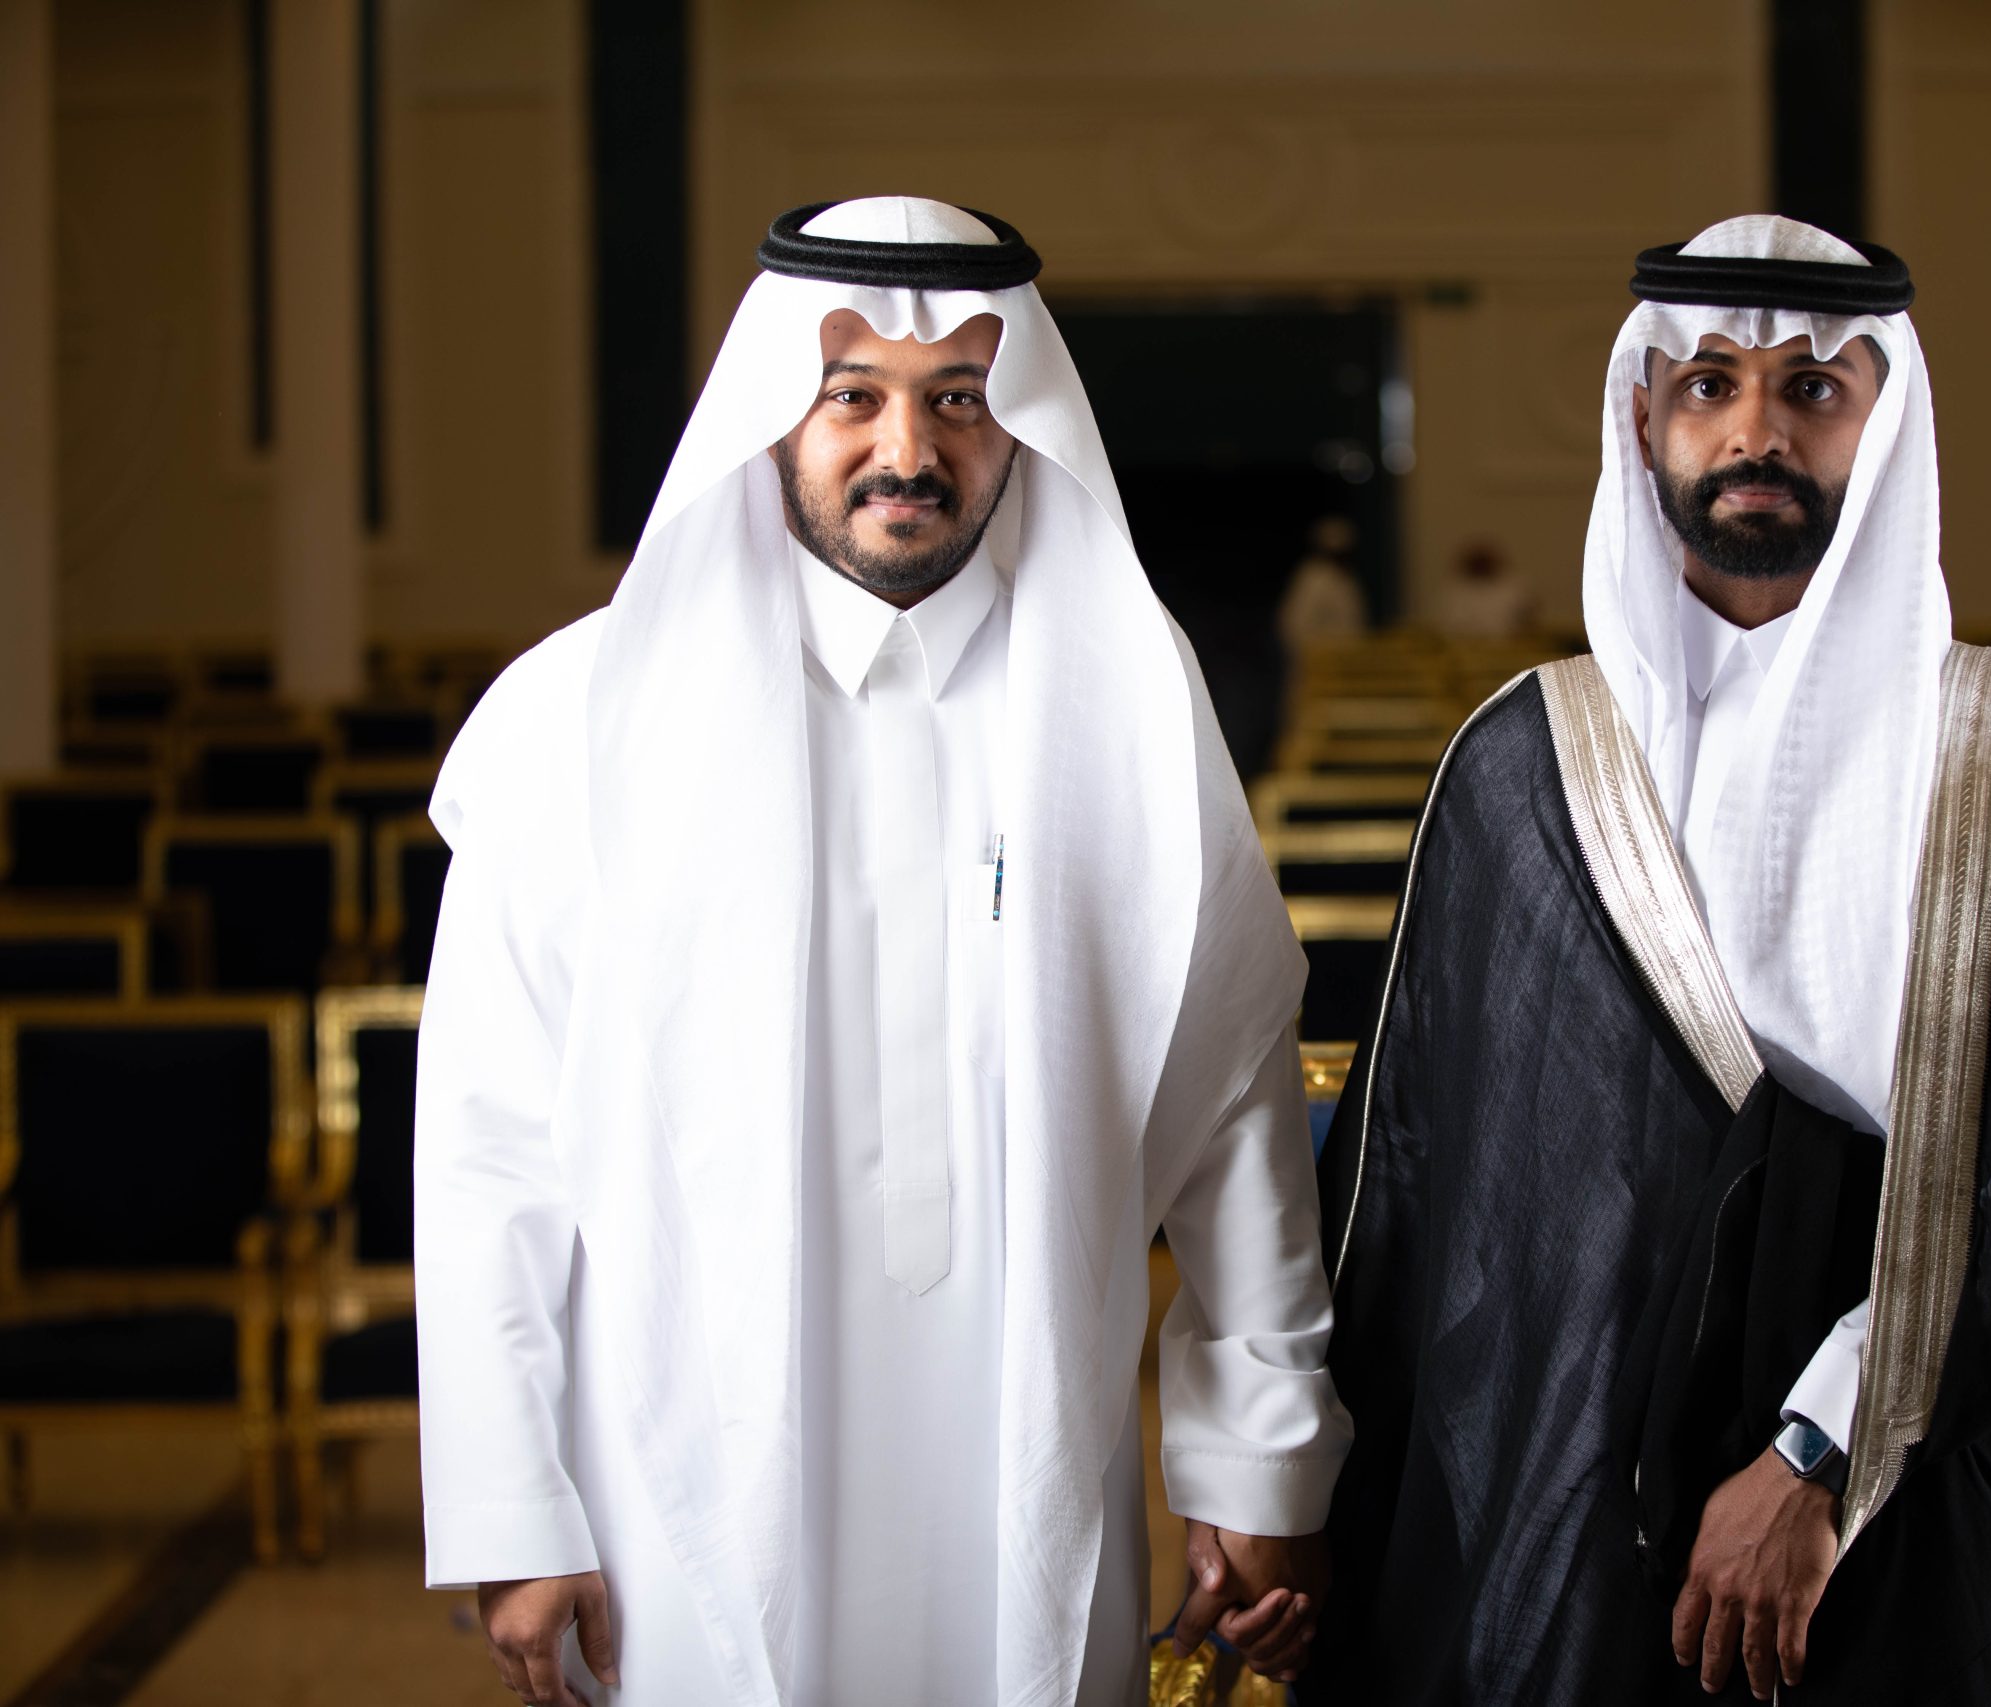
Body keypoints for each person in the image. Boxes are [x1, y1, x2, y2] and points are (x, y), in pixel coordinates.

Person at [414, 198, 1348, 1707]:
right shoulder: (578, 713)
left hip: (1032, 1449)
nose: (908, 450)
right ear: (773, 416)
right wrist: (514, 1503)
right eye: (852, 394)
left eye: (959, 398)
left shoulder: (1124, 693)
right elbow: (488, 1145)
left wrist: (1254, 1456)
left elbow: (1235, 1100)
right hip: (672, 1482)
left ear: (1019, 420)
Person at [1306, 216, 1991, 1704]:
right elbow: (1408, 1199)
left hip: (1912, 1526)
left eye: (1813, 389)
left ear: (1882, 425)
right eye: (1708, 384)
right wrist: (1310, 1508)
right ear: (1643, 420)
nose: (1756, 431)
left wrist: (1816, 1455)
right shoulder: (1522, 764)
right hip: (1574, 1543)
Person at [1276, 515, 1370, 653]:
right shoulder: (1313, 578)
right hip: (1321, 659)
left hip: (1348, 658)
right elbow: (1294, 625)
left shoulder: (1348, 578)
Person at [1433, 540, 1537, 640]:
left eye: (1485, 562)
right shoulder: (1455, 590)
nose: (1482, 566)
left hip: (1508, 643)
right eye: (1478, 563)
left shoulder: (1513, 585)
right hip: (1465, 644)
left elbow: (1527, 616)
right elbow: (1451, 625)